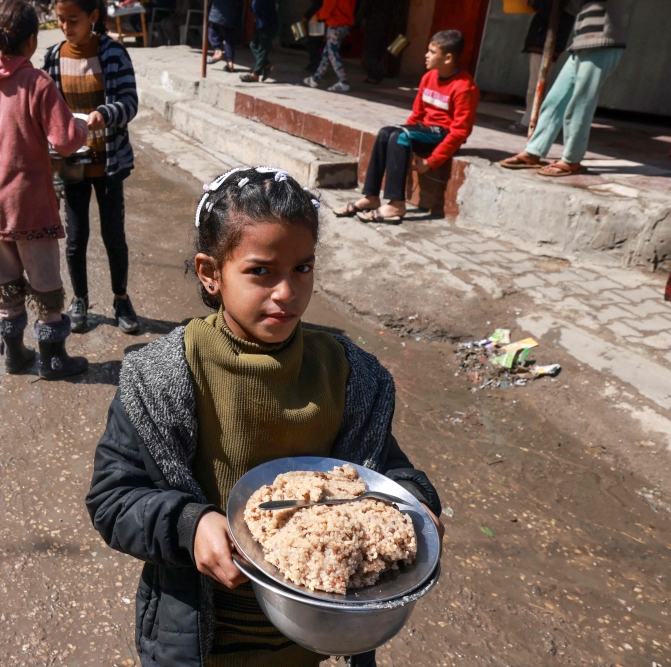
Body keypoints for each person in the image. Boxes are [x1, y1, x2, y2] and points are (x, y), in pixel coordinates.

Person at [85, 165, 444, 667]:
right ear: (211, 273)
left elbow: (383, 475)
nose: (286, 292)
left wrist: (418, 506)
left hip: (311, 634)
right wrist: (189, 525)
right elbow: (113, 499)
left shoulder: (347, 375)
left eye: (302, 268)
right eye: (260, 271)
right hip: (205, 637)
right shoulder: (163, 377)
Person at [0, 0, 91, 379]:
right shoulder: (38, 83)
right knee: (46, 289)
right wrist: (84, 129)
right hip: (31, 208)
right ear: (30, 41)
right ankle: (54, 360)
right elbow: (63, 140)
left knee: (4, 288)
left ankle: (14, 355)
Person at [43, 0, 141, 335]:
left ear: (93, 18)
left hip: (110, 162)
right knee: (76, 238)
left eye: (73, 19)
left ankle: (121, 299)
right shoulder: (54, 57)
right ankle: (80, 300)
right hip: (71, 164)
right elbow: (47, 114)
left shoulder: (113, 53)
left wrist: (105, 114)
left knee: (114, 235)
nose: (66, 27)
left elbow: (130, 101)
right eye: (60, 20)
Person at [337, 30, 478, 223]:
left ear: (447, 58)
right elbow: (416, 115)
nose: (426, 55)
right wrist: (406, 135)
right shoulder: (429, 78)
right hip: (424, 129)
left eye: (431, 51)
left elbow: (460, 131)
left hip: (441, 134)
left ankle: (396, 204)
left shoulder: (464, 86)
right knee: (387, 133)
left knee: (400, 136)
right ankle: (371, 197)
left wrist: (431, 162)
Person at [498, 0, 623, 176]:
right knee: (555, 99)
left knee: (580, 103)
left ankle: (572, 159)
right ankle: (534, 151)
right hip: (581, 43)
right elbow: (570, 7)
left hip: (601, 42)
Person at [513, 0, 575, 131]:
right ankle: (533, 121)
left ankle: (531, 122)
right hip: (544, 42)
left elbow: (551, 11)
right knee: (537, 86)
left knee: (536, 87)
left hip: (545, 43)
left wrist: (530, 2)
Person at [302, 0, 354, 93]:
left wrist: (317, 16)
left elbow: (328, 7)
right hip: (344, 24)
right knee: (327, 52)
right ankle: (315, 79)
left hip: (335, 23)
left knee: (332, 52)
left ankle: (343, 81)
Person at [240, 0, 276, 82]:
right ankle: (266, 64)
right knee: (253, 44)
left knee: (263, 48)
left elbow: (255, 8)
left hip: (267, 25)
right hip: (261, 25)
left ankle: (256, 74)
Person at [207, 0, 242, 73]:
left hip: (221, 7)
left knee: (212, 27)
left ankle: (217, 51)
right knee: (230, 35)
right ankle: (230, 62)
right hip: (235, 9)